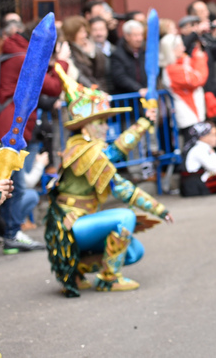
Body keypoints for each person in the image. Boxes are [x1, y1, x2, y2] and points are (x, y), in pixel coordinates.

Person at [44, 67, 172, 295]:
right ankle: (109, 278)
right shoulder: (80, 149)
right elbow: (119, 176)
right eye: (100, 122)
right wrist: (142, 124)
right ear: (85, 126)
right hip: (72, 226)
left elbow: (111, 159)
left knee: (134, 252)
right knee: (125, 217)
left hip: (83, 222)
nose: (105, 127)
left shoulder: (87, 149)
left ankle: (77, 268)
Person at [0, 21, 63, 253]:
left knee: (8, 185)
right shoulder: (21, 56)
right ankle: (12, 234)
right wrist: (61, 61)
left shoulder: (11, 52)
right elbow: (52, 87)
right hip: (8, 131)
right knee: (15, 186)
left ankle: (7, 232)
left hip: (9, 127)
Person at [159, 33, 209, 135]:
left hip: (195, 115)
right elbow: (198, 79)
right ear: (172, 50)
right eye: (180, 46)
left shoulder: (181, 62)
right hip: (188, 116)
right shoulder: (171, 69)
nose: (184, 48)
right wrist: (199, 57)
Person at [180, 121, 216, 196]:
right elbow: (213, 166)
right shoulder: (198, 149)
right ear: (203, 136)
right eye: (213, 135)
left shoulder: (206, 148)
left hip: (201, 180)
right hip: (194, 184)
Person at [62, 16, 110, 90]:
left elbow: (100, 72)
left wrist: (92, 53)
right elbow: (79, 76)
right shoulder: (68, 51)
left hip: (96, 89)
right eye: (81, 32)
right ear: (72, 33)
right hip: (84, 92)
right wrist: (95, 91)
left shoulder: (86, 48)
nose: (85, 35)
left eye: (85, 32)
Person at [108, 20, 147, 96]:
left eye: (141, 35)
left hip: (144, 96)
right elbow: (120, 77)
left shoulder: (144, 51)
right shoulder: (118, 54)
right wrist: (138, 88)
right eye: (135, 35)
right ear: (127, 36)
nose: (139, 39)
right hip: (127, 97)